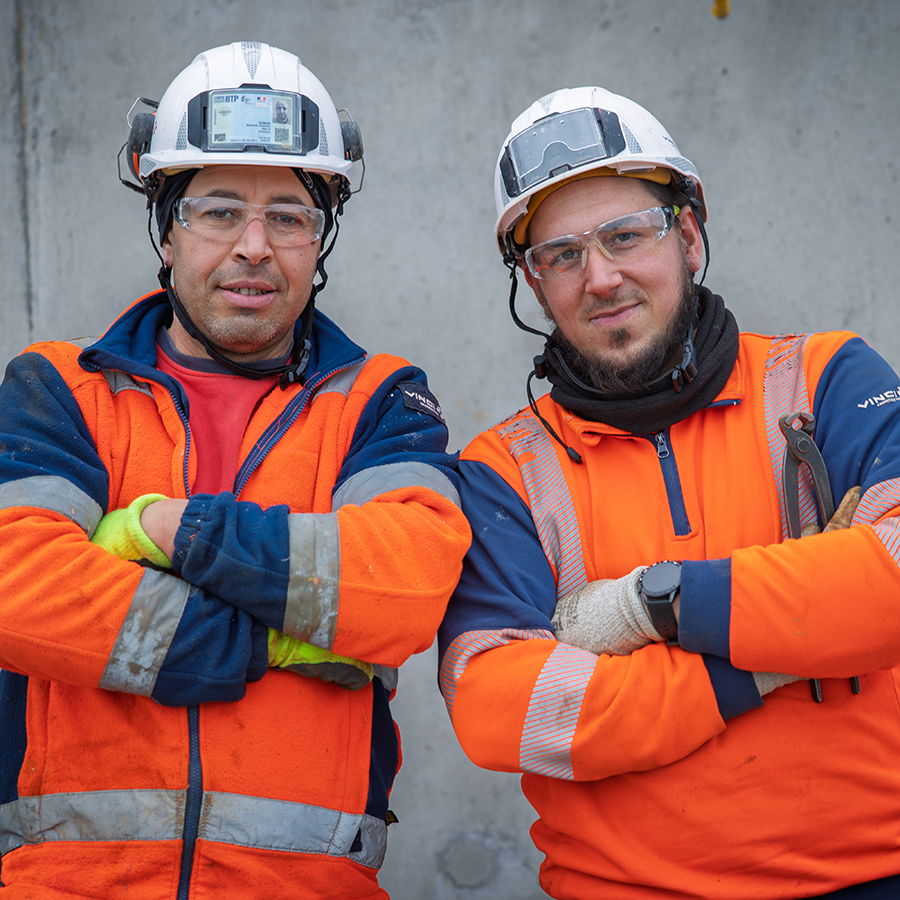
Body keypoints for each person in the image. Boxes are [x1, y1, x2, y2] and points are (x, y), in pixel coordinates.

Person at [0, 42, 470, 898]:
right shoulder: (59, 389)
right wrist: (267, 640)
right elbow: (15, 584)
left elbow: (406, 588)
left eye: (289, 216)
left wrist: (162, 529)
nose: (255, 247)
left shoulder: (381, 401)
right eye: (218, 211)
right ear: (167, 229)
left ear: (319, 239)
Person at [438, 85, 900, 899]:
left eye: (626, 235)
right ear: (534, 282)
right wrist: (772, 659)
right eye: (562, 255)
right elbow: (502, 709)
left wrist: (655, 605)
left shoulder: (825, 380)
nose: (601, 277)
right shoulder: (501, 469)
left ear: (687, 235)